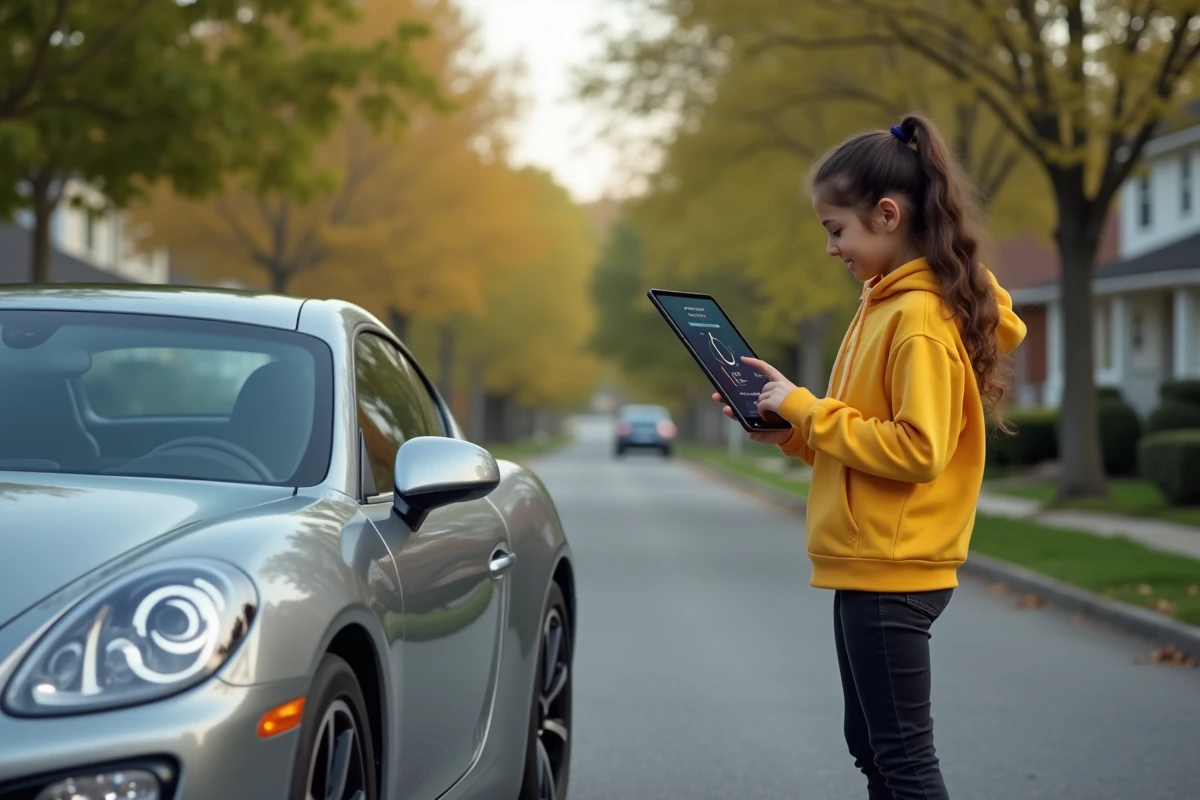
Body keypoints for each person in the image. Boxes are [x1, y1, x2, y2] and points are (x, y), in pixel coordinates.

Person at [712, 114, 1026, 799]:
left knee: (903, 760)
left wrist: (803, 406)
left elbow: (918, 451)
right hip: (874, 562)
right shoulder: (881, 306)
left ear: (887, 215)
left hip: (895, 568)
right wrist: (792, 430)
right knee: (875, 751)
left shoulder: (916, 320)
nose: (832, 248)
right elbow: (865, 439)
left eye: (835, 230)